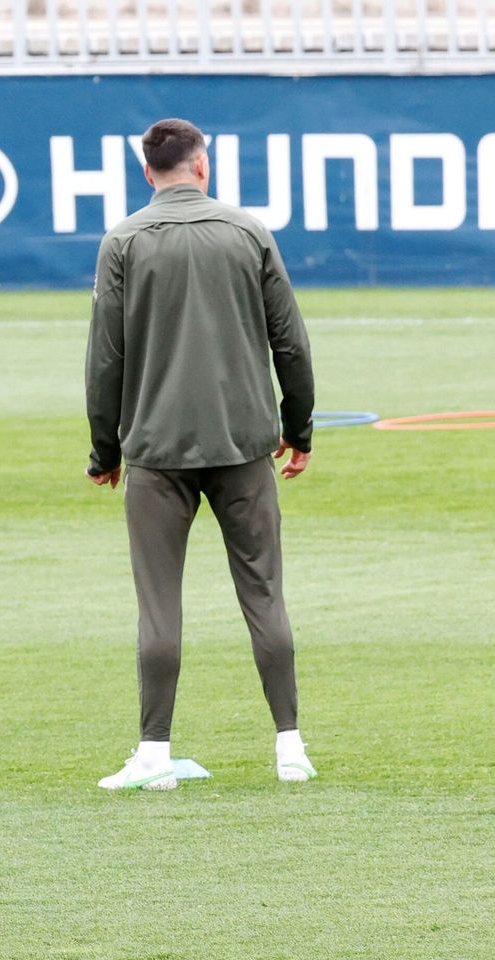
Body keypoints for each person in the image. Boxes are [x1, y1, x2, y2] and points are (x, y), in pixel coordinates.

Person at [84, 118, 317, 791]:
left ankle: (154, 753)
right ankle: (289, 746)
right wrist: (297, 429)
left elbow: (106, 358)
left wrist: (104, 448)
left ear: (147, 172)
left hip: (155, 449)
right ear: (202, 166)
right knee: (265, 593)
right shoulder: (248, 232)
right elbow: (292, 344)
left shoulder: (123, 240)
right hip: (244, 443)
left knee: (159, 605)